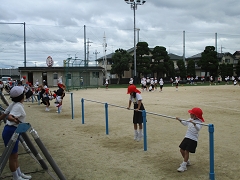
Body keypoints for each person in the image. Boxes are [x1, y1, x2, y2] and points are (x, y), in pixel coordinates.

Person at [1, 86, 32, 180]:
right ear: (21, 96)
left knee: (15, 155)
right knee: (12, 156)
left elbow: (4, 115)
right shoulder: (17, 106)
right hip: (11, 131)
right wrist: (17, 121)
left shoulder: (14, 103)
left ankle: (19, 174)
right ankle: (15, 177)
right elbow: (10, 117)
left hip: (12, 131)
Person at [176, 107, 204, 172]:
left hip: (193, 139)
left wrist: (194, 124)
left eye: (191, 114)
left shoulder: (200, 122)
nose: (190, 115)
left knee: (186, 151)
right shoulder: (190, 119)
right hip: (187, 137)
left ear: (195, 115)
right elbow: (185, 123)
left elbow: (198, 129)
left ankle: (183, 166)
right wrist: (180, 120)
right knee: (181, 150)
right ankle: (187, 161)